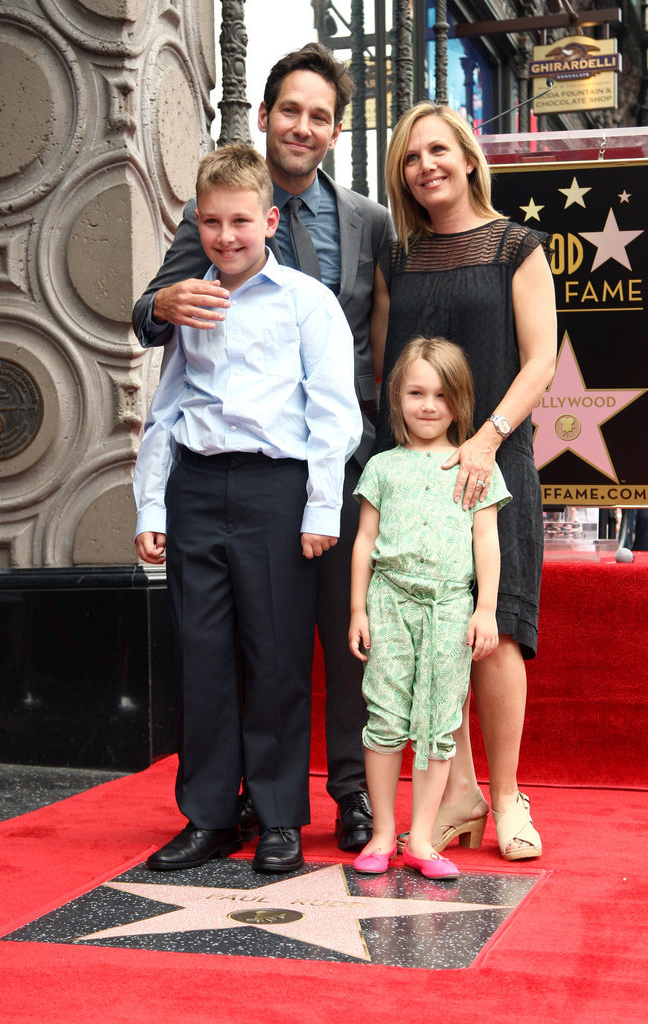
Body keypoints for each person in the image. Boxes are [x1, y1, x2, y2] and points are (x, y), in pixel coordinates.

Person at [132, 42, 396, 852]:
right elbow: (163, 360)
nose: (303, 126)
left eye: (320, 116)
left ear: (334, 129)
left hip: (318, 469)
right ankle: (216, 809)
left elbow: (372, 354)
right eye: (291, 110)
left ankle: (322, 801)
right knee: (211, 650)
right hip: (209, 481)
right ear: (266, 115)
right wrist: (164, 304)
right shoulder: (206, 248)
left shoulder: (364, 223)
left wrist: (347, 481)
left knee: (311, 643)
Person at [373, 102, 557, 861]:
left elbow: (540, 359)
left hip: (495, 462)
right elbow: (387, 371)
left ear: (468, 156)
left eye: (438, 151)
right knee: (430, 636)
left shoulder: (517, 245)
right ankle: (458, 792)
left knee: (496, 630)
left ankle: (508, 795)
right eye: (411, 157)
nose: (426, 167)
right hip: (417, 476)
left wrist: (483, 440)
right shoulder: (396, 258)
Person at [348, 337, 511, 879]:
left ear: (459, 402)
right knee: (387, 716)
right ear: (397, 398)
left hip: (449, 608)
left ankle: (421, 838)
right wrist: (358, 610)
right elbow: (365, 542)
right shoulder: (382, 467)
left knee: (440, 721)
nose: (428, 405)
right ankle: (380, 834)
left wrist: (485, 609)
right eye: (416, 392)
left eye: (441, 395)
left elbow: (486, 541)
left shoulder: (475, 466)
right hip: (390, 602)